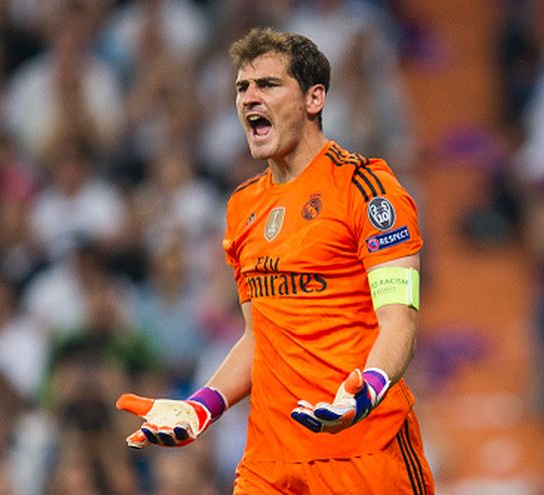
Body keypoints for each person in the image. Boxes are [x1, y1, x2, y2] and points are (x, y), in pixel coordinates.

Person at [116, 27, 435, 494]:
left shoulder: (367, 191)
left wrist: (365, 391)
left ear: (313, 99)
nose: (250, 98)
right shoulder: (243, 208)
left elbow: (399, 321)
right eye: (242, 88)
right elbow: (258, 336)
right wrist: (201, 407)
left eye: (267, 84)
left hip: (364, 454)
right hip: (270, 463)